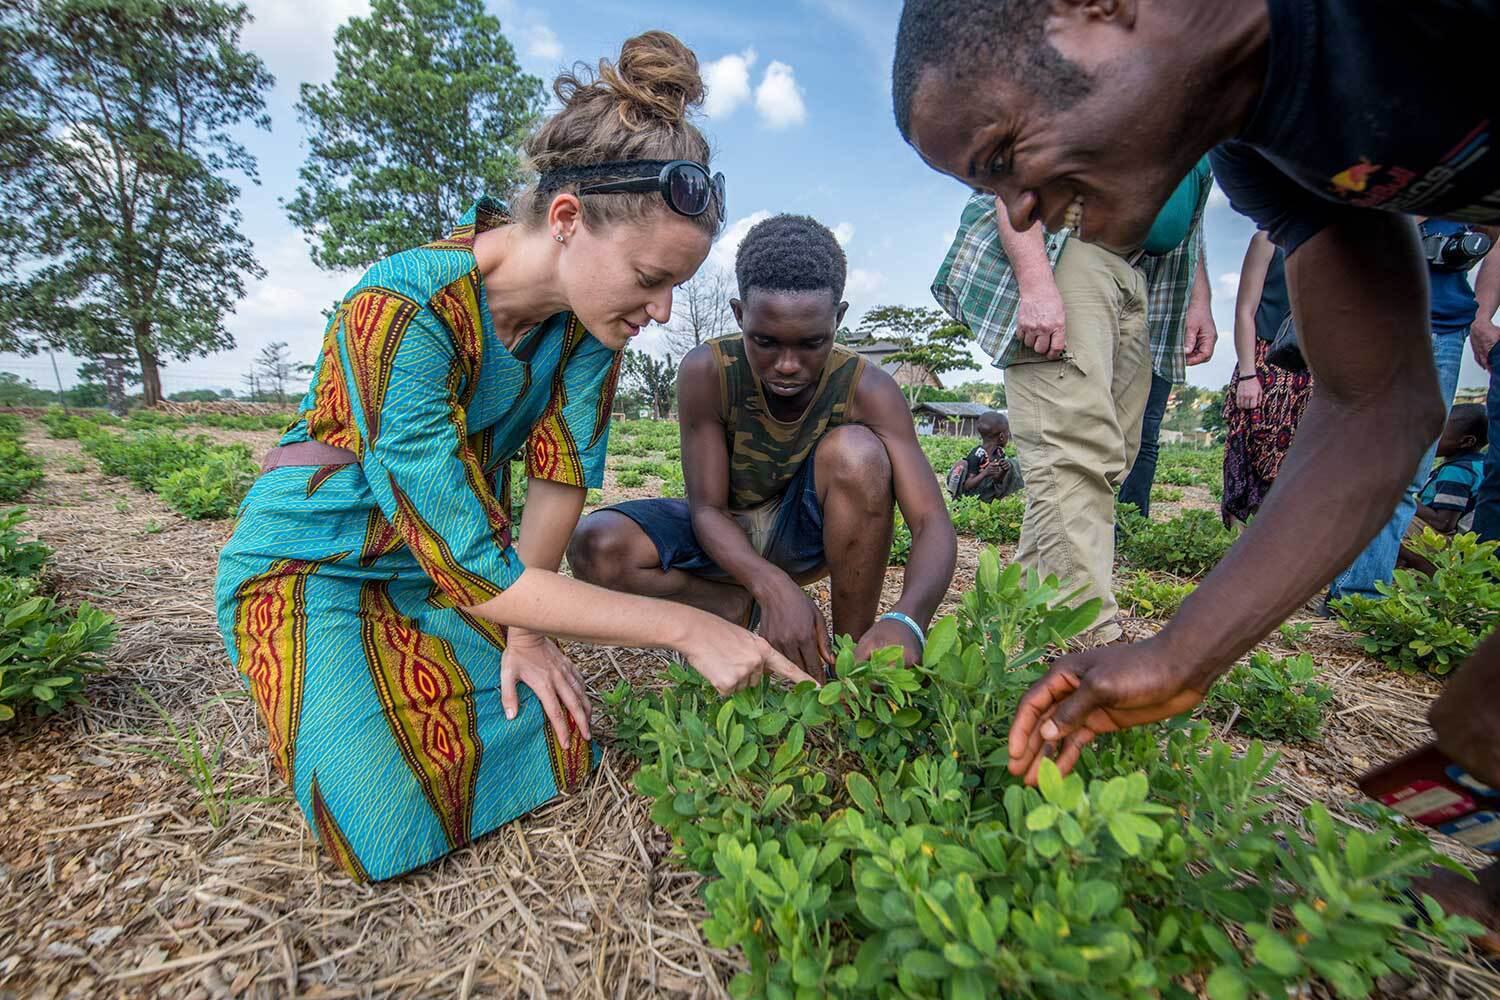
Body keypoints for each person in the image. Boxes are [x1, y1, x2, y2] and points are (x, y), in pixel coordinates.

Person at [892, 0, 1500, 943]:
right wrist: (1180, 656)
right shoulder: (1261, 150)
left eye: (1004, 154)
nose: (1015, 211)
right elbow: (1377, 398)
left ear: (1098, 7)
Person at [215, 33, 814, 883]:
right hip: (317, 561)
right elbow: (470, 563)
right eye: (650, 276)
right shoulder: (401, 305)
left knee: (560, 749)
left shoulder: (589, 329)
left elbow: (559, 479)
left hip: (449, 569)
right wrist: (690, 627)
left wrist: (526, 630)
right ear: (567, 218)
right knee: (385, 821)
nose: (664, 308)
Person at [569, 215, 957, 673]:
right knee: (596, 545)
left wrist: (907, 619)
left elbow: (932, 521)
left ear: (839, 318)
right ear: (739, 315)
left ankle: (848, 660)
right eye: (766, 342)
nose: (787, 365)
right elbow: (708, 510)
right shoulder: (707, 372)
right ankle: (736, 608)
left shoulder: (869, 389)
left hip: (804, 536)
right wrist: (771, 587)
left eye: (812, 343)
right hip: (725, 532)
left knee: (858, 454)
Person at [933, 158, 1215, 643]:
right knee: (1072, 457)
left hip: (1140, 271)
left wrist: (1198, 297)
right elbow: (1019, 172)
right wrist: (1037, 283)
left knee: (1113, 457)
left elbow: (1191, 218)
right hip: (1070, 250)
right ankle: (1090, 630)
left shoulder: (1203, 106)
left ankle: (1012, 619)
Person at [1328, 220, 1492, 601]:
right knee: (1360, 468)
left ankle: (1361, 596)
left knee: (1408, 477)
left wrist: (1480, 315)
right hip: (1377, 318)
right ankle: (1347, 588)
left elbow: (1491, 239)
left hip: (1448, 326)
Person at [1220, 232, 1313, 526]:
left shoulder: (1336, 243)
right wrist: (1248, 373)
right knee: (1248, 449)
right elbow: (1245, 311)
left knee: (1302, 459)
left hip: (1314, 368)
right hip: (1265, 360)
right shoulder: (1268, 240)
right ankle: (1237, 543)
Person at [948, 410, 1024, 502]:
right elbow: (967, 485)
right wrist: (985, 473)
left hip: (987, 498)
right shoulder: (977, 455)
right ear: (1001, 436)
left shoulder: (999, 453)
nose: (1008, 436)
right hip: (972, 499)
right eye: (1008, 433)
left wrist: (1004, 471)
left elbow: (997, 481)